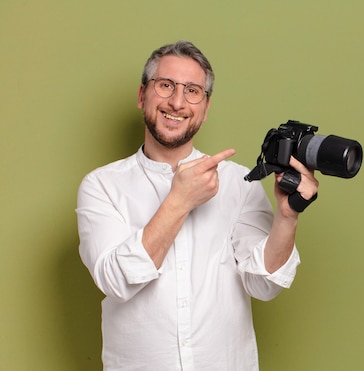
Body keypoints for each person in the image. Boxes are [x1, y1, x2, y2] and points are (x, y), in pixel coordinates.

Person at [76, 40, 319, 370]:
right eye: (166, 86)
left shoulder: (238, 183)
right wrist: (179, 200)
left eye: (192, 91)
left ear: (204, 110)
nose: (177, 102)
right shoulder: (101, 186)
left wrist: (288, 217)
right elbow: (116, 281)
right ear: (141, 96)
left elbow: (263, 284)